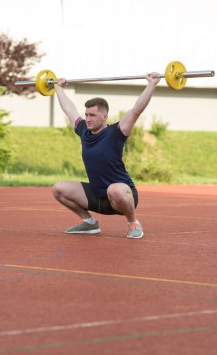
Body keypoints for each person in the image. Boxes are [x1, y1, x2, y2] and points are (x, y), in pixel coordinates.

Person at [52, 72, 160, 239]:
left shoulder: (116, 132)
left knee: (115, 189)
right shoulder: (83, 131)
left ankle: (133, 223)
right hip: (97, 195)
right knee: (59, 189)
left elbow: (136, 110)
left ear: (104, 116)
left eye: (92, 115)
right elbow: (69, 109)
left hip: (122, 195)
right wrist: (58, 88)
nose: (87, 119)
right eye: (87, 115)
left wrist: (151, 84)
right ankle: (89, 223)